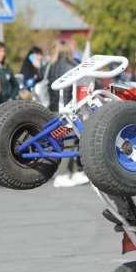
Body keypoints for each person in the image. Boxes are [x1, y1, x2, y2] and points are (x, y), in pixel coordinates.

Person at [45, 41, 87, 188]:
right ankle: (61, 175)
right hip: (68, 108)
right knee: (70, 141)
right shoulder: (73, 65)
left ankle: (74, 172)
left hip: (53, 107)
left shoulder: (49, 66)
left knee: (63, 140)